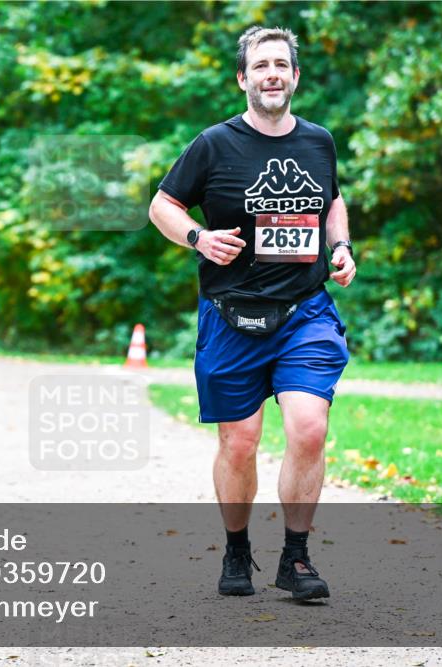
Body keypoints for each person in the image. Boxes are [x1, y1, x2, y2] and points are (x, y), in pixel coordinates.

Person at [148, 26, 356, 601]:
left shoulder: (319, 141)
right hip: (230, 315)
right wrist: (197, 237)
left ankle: (296, 558)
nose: (271, 73)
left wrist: (340, 248)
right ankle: (237, 548)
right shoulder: (214, 144)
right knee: (238, 444)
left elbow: (332, 200)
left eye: (281, 65)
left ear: (295, 76)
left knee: (309, 428)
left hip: (303, 311)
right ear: (243, 79)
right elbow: (161, 204)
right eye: (260, 65)